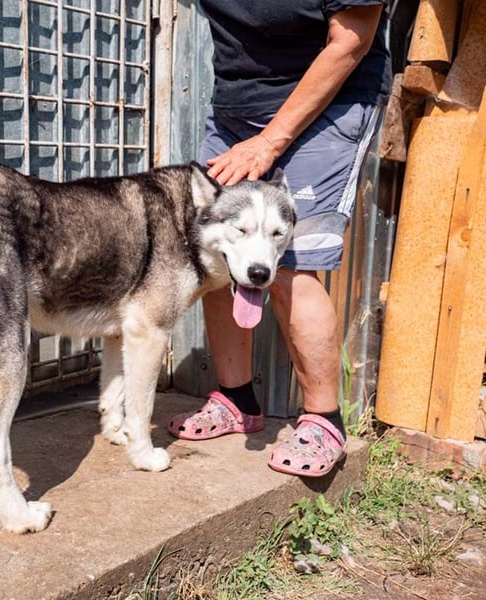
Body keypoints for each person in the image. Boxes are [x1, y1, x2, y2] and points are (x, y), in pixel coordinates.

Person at [167, 1, 392, 477]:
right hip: (236, 108)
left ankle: (323, 421)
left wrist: (271, 141)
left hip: (328, 107)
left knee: (290, 265)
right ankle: (235, 400)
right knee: (219, 255)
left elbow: (352, 37)